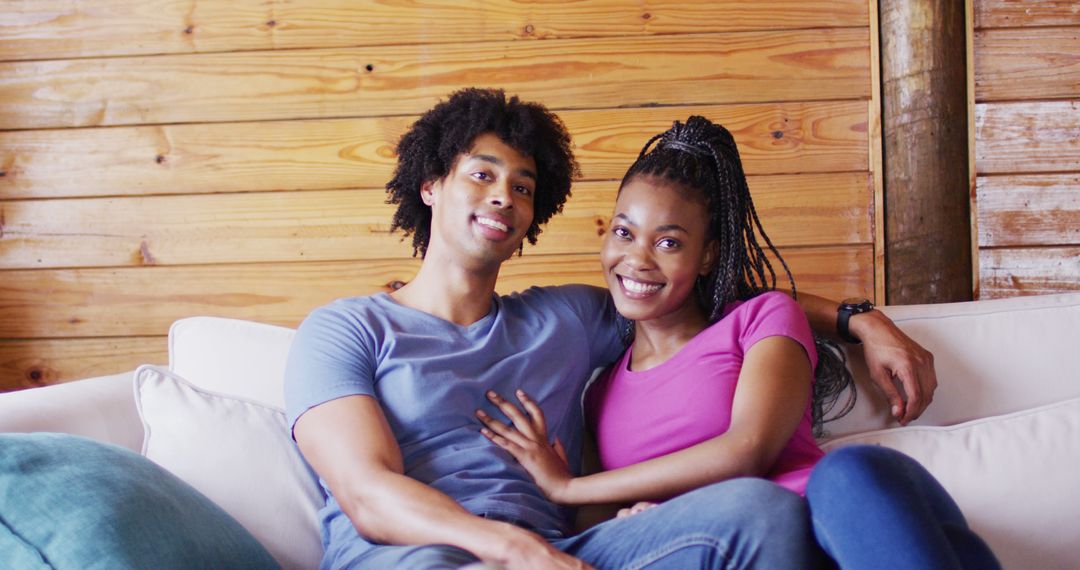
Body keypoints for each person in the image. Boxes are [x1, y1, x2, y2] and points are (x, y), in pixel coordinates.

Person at [284, 88, 937, 569]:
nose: (503, 197)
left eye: (522, 186)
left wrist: (858, 319)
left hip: (567, 552)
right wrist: (515, 552)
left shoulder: (563, 319)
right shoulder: (346, 329)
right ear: (430, 185)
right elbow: (367, 493)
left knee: (755, 510)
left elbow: (705, 294)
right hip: (419, 558)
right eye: (482, 175)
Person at [477, 116, 1000, 569]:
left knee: (854, 470)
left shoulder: (761, 319)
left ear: (707, 256)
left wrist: (565, 485)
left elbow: (747, 449)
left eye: (669, 242)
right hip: (725, 551)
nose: (637, 259)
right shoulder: (599, 392)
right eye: (622, 232)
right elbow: (602, 528)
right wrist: (637, 520)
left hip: (831, 531)